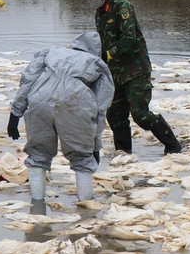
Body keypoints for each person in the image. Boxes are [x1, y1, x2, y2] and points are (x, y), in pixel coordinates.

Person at [79, 0, 182, 155]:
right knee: (115, 115)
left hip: (135, 70)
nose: (90, 1)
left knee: (140, 114)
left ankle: (173, 146)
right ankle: (124, 153)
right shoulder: (99, 14)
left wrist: (110, 54)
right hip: (115, 73)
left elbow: (129, 38)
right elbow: (103, 43)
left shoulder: (123, 7)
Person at [6, 32, 114, 202]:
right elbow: (100, 107)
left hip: (40, 97)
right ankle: (86, 210)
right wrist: (94, 146)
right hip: (76, 100)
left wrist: (15, 114)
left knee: (38, 153)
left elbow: (28, 80)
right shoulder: (97, 63)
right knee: (82, 157)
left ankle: (37, 208)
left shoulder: (51, 52)